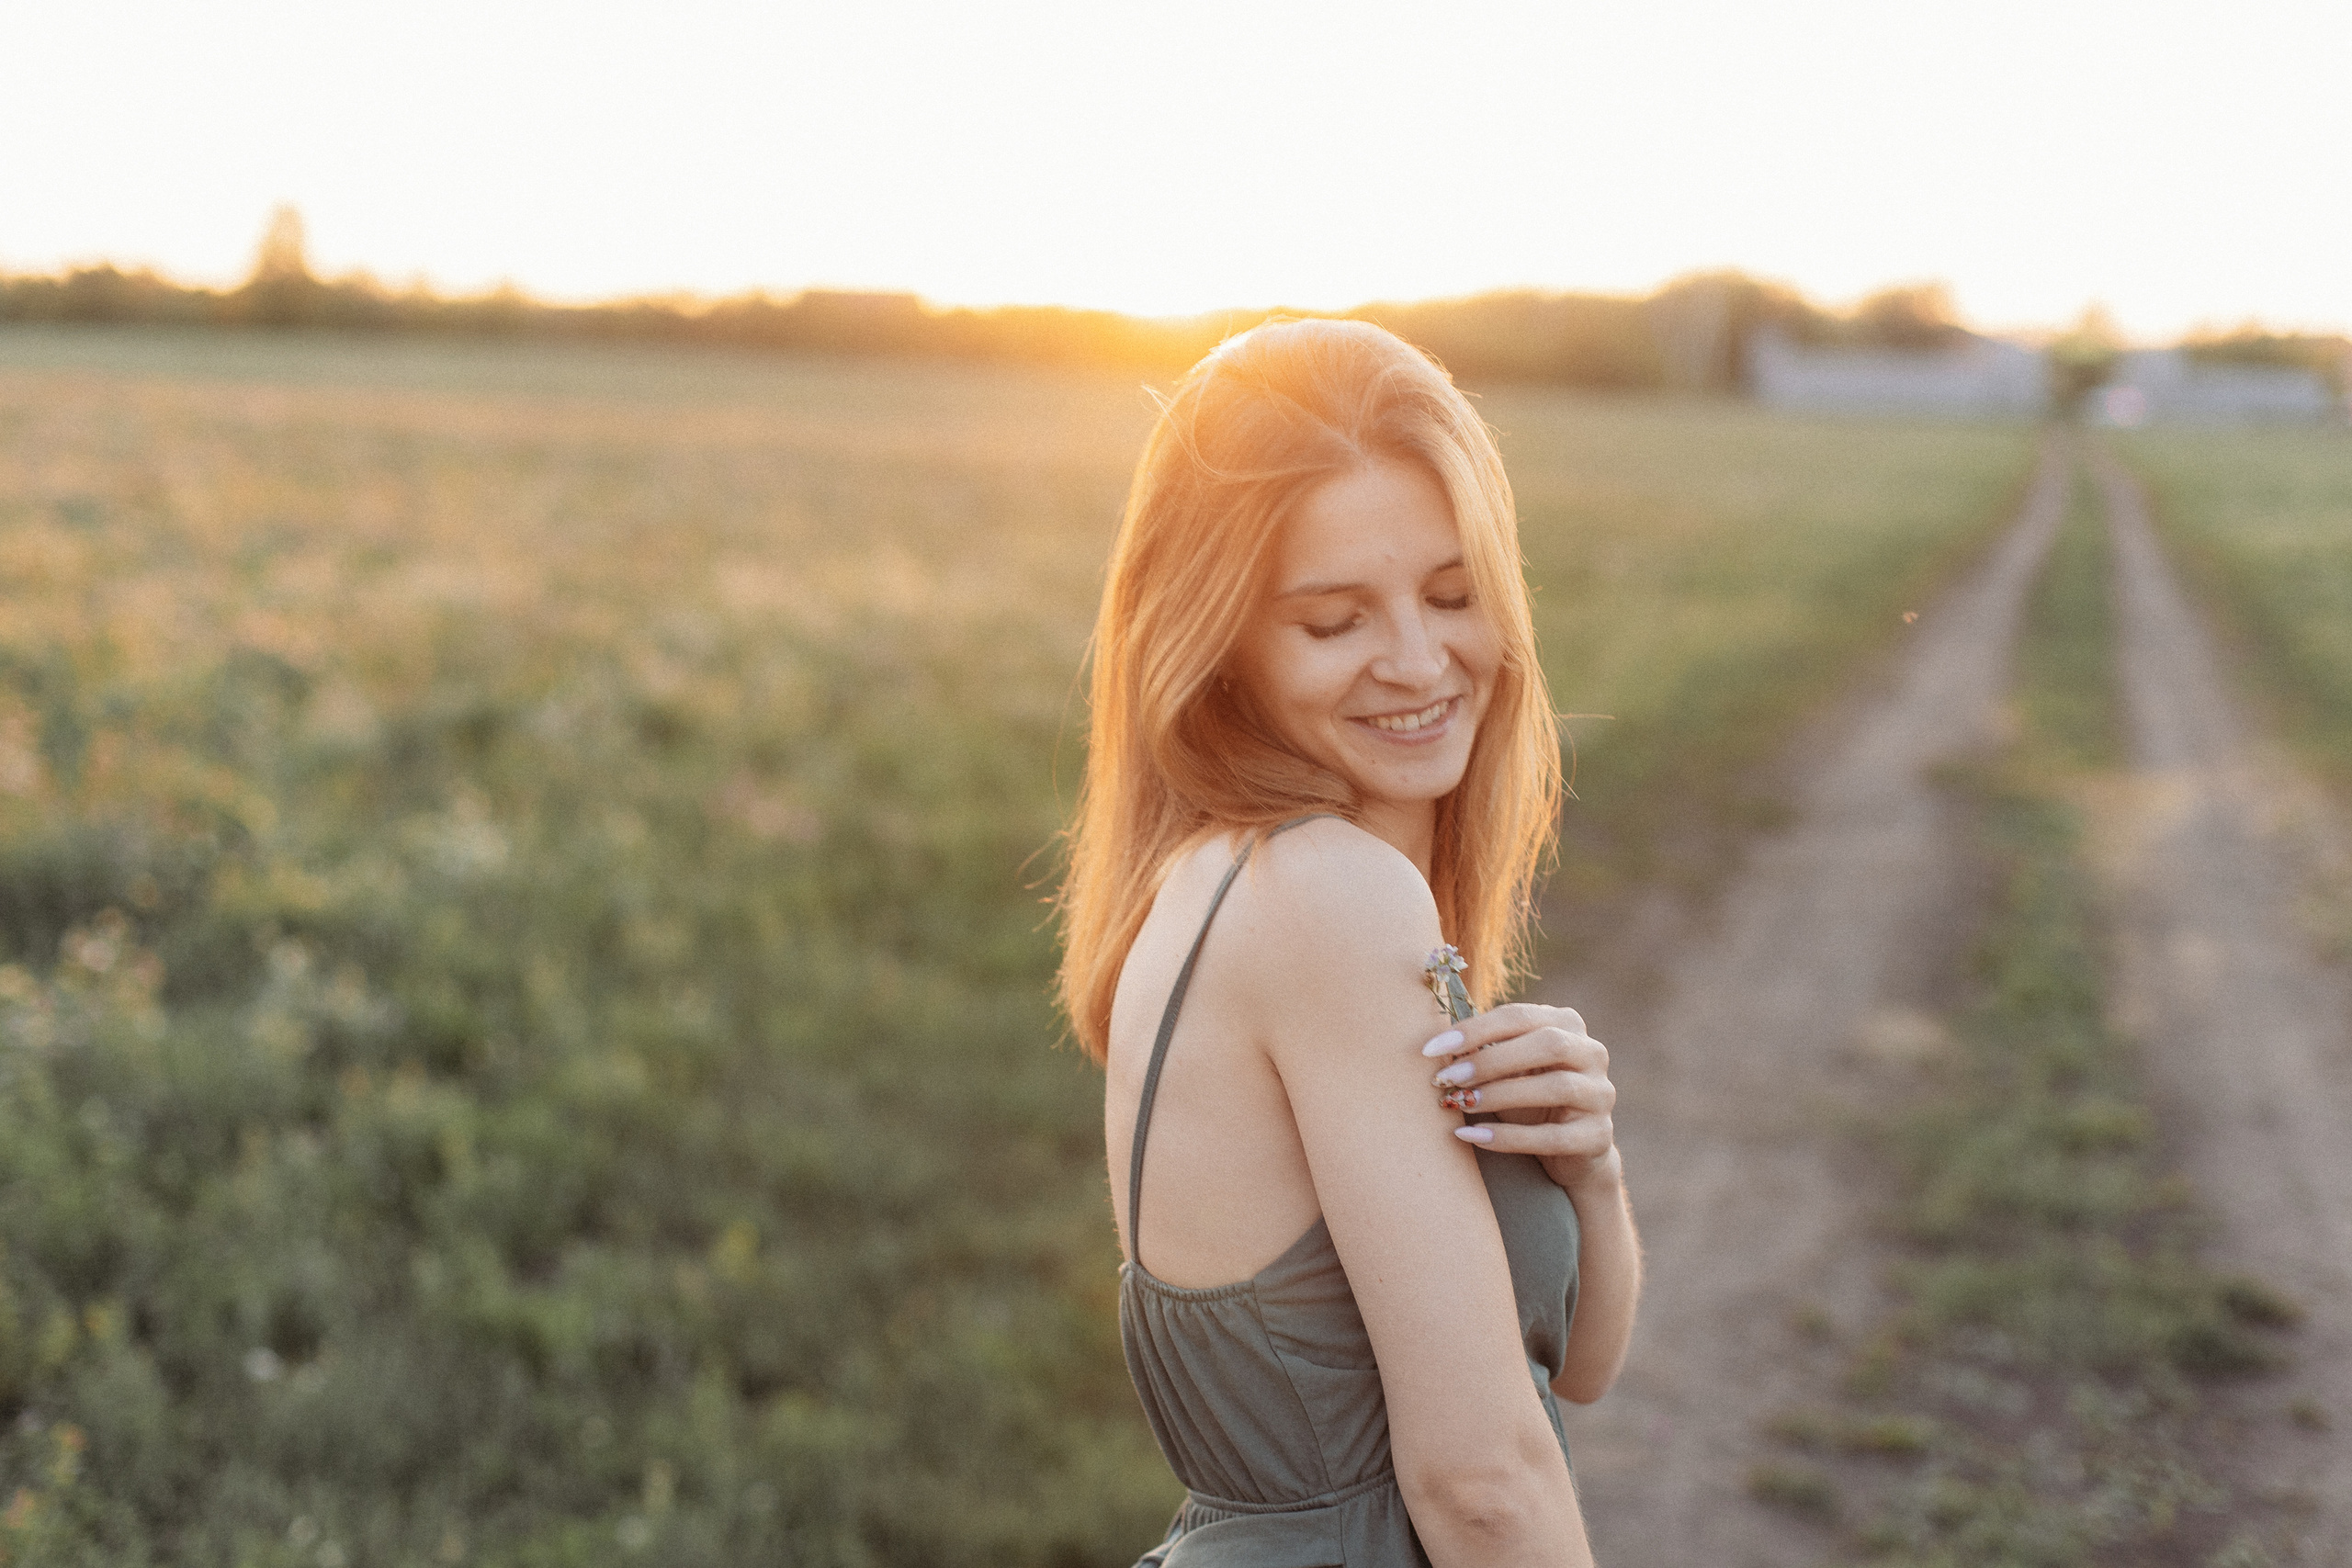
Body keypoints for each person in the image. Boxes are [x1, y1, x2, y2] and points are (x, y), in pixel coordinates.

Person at [1057, 318, 1642, 1566]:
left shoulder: (1260, 884)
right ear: (1221, 651)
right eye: (1335, 621)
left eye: (1453, 594)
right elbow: (1484, 1484)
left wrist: (1588, 1169)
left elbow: (1574, 1371)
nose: (1422, 662)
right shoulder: (1323, 899)